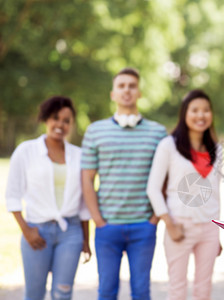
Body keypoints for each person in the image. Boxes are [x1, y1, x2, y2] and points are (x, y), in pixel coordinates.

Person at [81, 67, 167, 300]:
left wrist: (154, 219)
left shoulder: (158, 133)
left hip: (143, 226)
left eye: (132, 86)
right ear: (113, 93)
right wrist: (98, 221)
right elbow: (87, 180)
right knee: (106, 291)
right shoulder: (95, 131)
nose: (126, 90)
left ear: (139, 92)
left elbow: (166, 180)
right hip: (107, 227)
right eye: (121, 86)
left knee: (141, 291)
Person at [5, 96, 91, 300]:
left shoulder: (79, 155)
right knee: (34, 294)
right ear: (45, 119)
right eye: (55, 118)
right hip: (37, 231)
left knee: (63, 293)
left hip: (70, 232)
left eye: (66, 120)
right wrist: (26, 230)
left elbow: (83, 202)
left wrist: (86, 240)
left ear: (71, 124)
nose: (60, 124)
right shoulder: (26, 151)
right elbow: (13, 194)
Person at [147, 89, 222, 300]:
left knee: (203, 288)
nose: (201, 115)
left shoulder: (216, 149)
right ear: (184, 114)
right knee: (177, 288)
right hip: (179, 225)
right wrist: (169, 225)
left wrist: (218, 233)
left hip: (209, 228)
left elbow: (215, 193)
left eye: (206, 110)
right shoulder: (168, 146)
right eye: (195, 110)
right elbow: (153, 188)